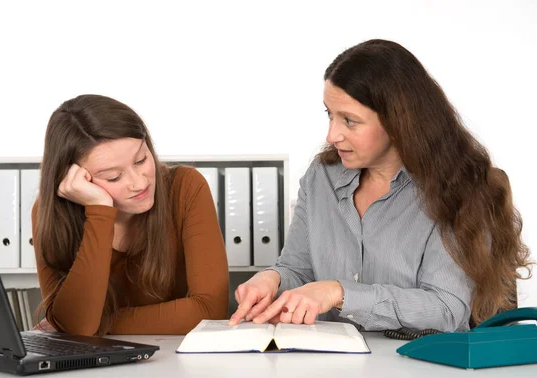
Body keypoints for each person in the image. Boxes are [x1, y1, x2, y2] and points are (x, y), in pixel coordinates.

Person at [229, 39, 532, 332]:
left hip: (422, 373)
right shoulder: (320, 177)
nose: (332, 134)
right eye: (330, 114)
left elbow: (447, 309)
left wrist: (340, 293)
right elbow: (298, 269)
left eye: (349, 120)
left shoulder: (459, 188)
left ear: (397, 122)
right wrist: (272, 279)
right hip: (329, 369)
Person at [33, 94, 228, 336]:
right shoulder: (51, 214)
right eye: (113, 177)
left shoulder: (185, 187)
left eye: (141, 160)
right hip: (90, 369)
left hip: (170, 361)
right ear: (75, 178)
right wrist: (99, 211)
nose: (139, 183)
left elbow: (210, 310)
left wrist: (101, 324)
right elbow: (77, 325)